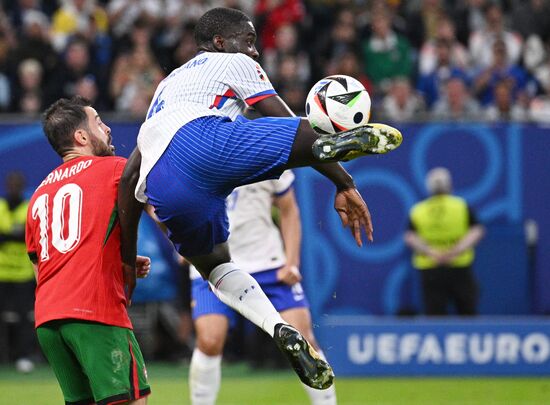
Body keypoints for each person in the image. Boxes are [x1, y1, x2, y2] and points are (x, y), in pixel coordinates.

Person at [118, 7, 402, 390]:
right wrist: (344, 184)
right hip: (203, 141)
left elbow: (128, 179)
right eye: (249, 41)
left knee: (216, 267)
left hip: (164, 183)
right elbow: (279, 114)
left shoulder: (164, 88)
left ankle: (278, 327)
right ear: (221, 43)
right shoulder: (232, 62)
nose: (254, 52)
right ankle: (335, 145)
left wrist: (123, 262)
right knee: (293, 136)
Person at [25, 96, 151, 405]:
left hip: (49, 321)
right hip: (95, 313)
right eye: (98, 121)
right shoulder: (114, 169)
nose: (107, 128)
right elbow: (160, 206)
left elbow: (41, 265)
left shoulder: (39, 192)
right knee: (131, 400)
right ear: (81, 136)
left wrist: (110, 256)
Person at [189, 171, 337, 405]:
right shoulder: (196, 153)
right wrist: (182, 242)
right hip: (214, 263)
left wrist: (292, 262)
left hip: (268, 263)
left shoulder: (263, 151)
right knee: (209, 340)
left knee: (303, 338)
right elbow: (164, 205)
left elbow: (289, 209)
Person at [404, 167, 485, 316]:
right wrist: (455, 251)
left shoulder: (418, 210)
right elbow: (477, 231)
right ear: (449, 185)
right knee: (467, 313)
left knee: (435, 315)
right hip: (459, 264)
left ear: (428, 187)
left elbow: (410, 237)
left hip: (431, 266)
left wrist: (432, 252)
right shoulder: (461, 205)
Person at [0, 172, 36, 373]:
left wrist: (8, 236)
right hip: (1, 272)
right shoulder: (0, 207)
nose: (13, 188)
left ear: (21, 187)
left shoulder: (28, 208)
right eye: (10, 184)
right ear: (7, 186)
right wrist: (15, 236)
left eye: (17, 185)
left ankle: (23, 356)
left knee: (24, 317)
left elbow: (30, 236)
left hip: (22, 273)